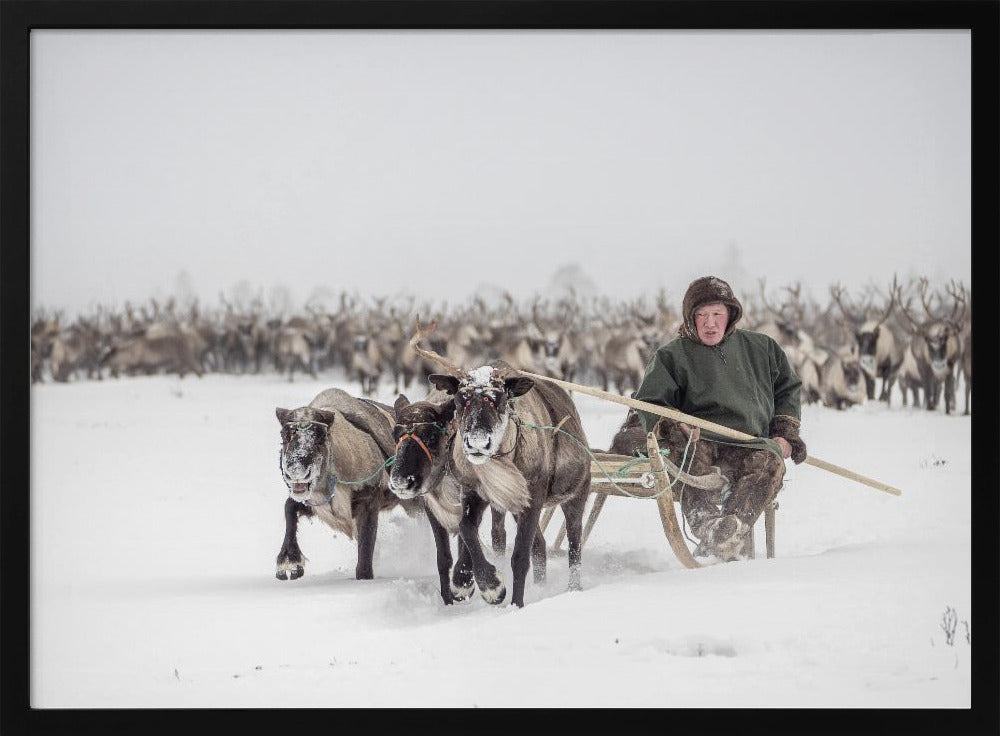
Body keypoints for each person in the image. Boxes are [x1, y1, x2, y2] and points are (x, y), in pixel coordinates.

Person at [633, 275, 808, 561]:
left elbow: (787, 389)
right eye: (701, 315)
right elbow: (651, 402)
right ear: (691, 318)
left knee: (771, 462)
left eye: (717, 314)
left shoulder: (762, 348)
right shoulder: (671, 356)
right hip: (699, 441)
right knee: (691, 462)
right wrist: (675, 425)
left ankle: (730, 530)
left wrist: (785, 434)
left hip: (752, 443)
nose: (710, 323)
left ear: (730, 315)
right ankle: (709, 529)